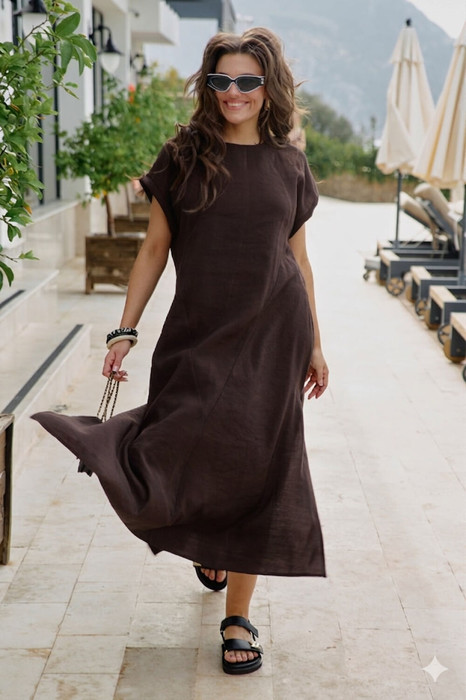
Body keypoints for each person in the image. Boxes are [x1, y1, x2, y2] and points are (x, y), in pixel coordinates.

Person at [33, 26, 329, 676]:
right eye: (221, 80)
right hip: (198, 333)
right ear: (208, 84)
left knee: (260, 462)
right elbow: (153, 249)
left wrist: (314, 341)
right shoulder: (184, 156)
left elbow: (299, 261)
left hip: (273, 337)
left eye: (247, 81)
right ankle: (206, 537)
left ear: (268, 87)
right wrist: (124, 330)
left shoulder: (289, 163)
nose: (233, 92)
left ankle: (238, 614)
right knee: (188, 444)